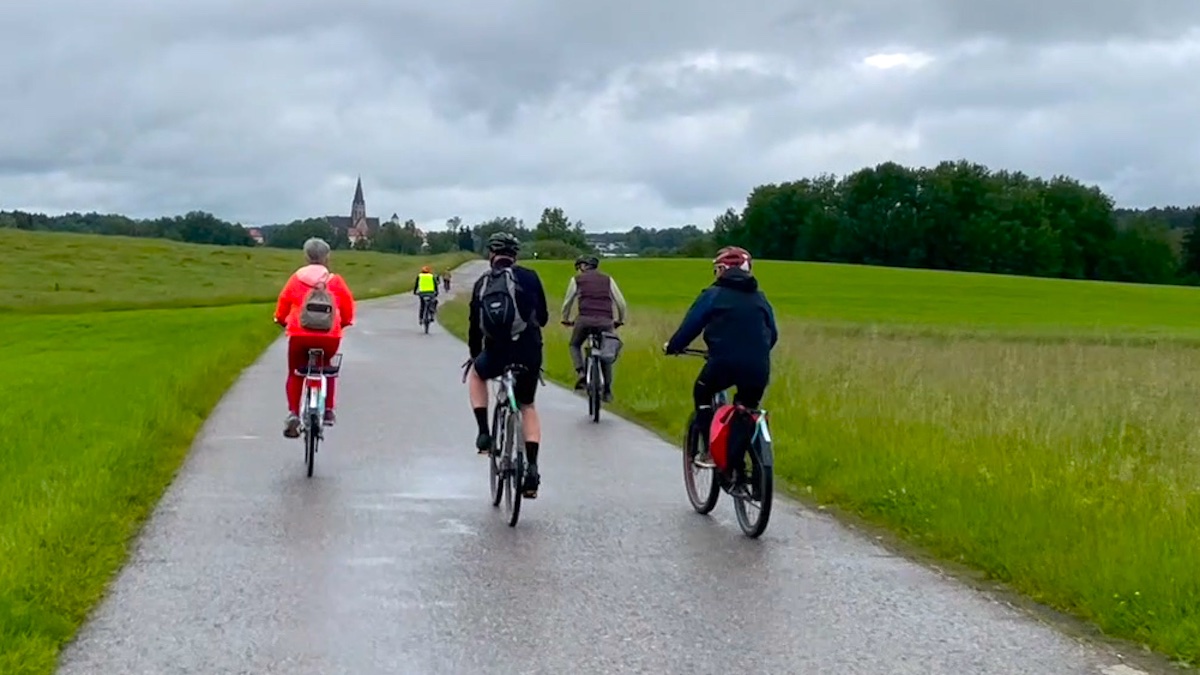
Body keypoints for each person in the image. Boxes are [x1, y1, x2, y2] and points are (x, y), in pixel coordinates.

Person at [663, 246, 777, 468]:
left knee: (702, 392)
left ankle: (709, 452)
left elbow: (691, 326)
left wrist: (674, 346)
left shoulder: (713, 295)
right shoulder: (760, 298)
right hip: (758, 366)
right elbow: (773, 334)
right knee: (747, 406)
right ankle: (740, 463)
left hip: (723, 363)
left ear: (723, 270)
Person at [465, 231, 549, 497]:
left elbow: (474, 328)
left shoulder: (482, 283)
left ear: (491, 255)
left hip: (497, 352)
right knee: (527, 405)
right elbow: (544, 318)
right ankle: (532, 469)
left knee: (477, 375)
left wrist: (475, 355)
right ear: (516, 255)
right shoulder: (530, 277)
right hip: (528, 351)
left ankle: (483, 434)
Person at [273, 237, 356, 438]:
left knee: (295, 372)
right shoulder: (334, 281)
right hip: (329, 337)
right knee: (327, 368)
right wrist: (343, 323)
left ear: (306, 256)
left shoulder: (296, 279)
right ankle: (327, 410)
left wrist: (280, 319)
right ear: (327, 257)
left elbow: (283, 304)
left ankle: (293, 413)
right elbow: (348, 307)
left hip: (299, 336)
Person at [561, 254, 627, 401]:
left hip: (584, 320)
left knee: (574, 344)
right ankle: (608, 391)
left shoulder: (576, 280)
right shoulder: (608, 280)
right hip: (606, 322)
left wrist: (565, 319)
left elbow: (567, 302)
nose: (578, 270)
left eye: (579, 267)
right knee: (606, 354)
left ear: (583, 266)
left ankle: (581, 373)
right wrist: (620, 320)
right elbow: (621, 303)